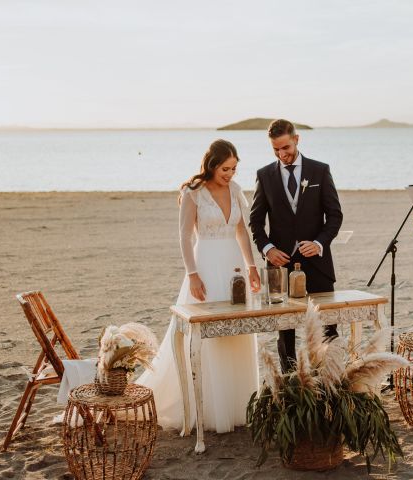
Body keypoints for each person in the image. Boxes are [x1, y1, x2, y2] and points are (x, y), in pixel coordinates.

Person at [138, 139, 261, 432]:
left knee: (237, 330)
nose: (230, 174)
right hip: (205, 264)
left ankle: (239, 406)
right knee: (205, 336)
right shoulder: (193, 192)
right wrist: (192, 273)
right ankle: (207, 409)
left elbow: (242, 231)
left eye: (233, 169)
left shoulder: (235, 190)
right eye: (225, 169)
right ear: (211, 164)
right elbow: (183, 236)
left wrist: (252, 266)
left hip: (233, 266)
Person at [249, 119, 343, 372]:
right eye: (276, 150)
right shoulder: (265, 175)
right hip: (280, 269)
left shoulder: (320, 171)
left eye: (286, 148)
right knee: (285, 334)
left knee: (327, 329)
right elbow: (255, 222)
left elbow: (334, 216)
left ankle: (329, 379)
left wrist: (319, 243)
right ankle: (292, 384)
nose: (282, 154)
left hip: (318, 266)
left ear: (297, 139)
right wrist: (268, 249)